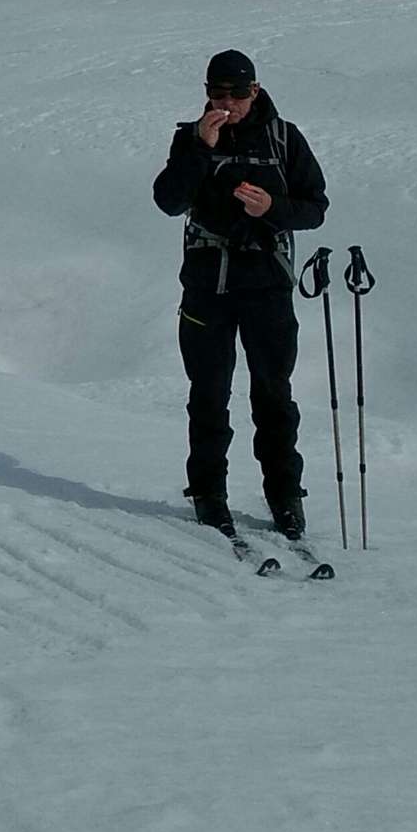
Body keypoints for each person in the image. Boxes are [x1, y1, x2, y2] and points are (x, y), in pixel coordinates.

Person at [151, 47, 329, 540]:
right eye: (217, 93)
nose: (227, 103)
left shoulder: (284, 138)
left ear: (256, 90)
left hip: (267, 284)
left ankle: (285, 496)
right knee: (208, 393)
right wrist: (199, 149)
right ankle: (208, 494)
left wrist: (271, 208)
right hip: (207, 284)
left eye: (237, 93)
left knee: (273, 394)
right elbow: (168, 201)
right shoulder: (190, 138)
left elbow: (315, 208)